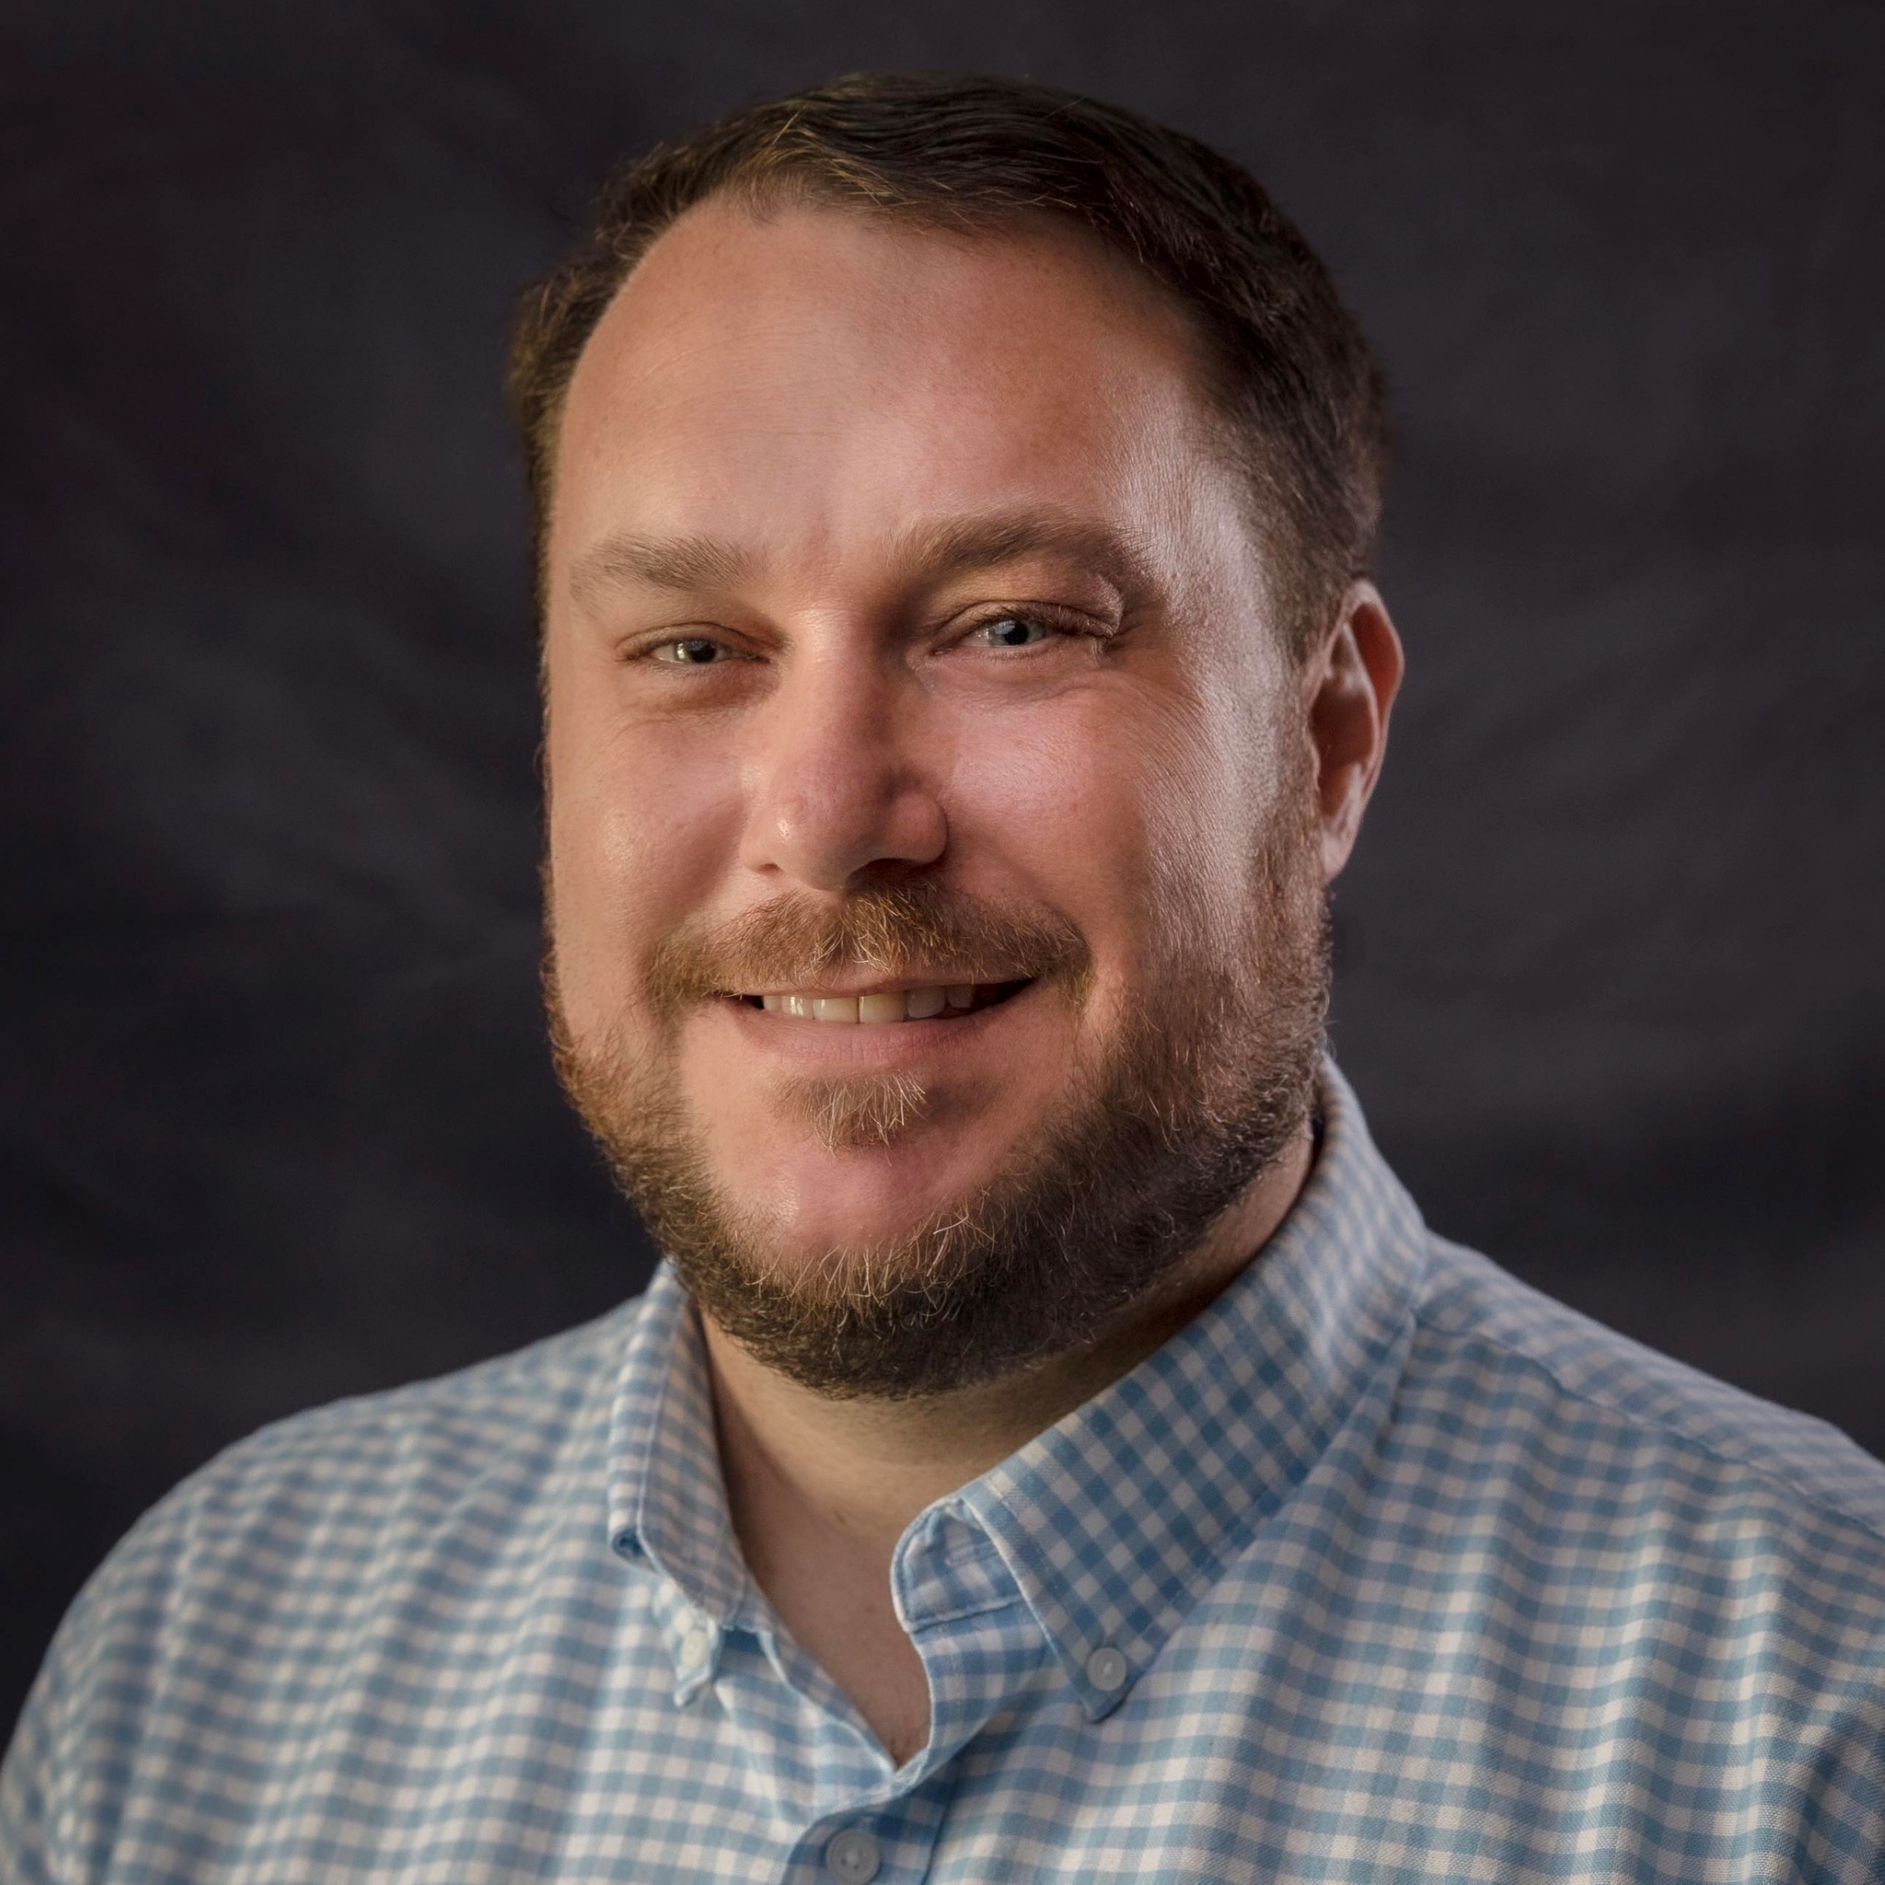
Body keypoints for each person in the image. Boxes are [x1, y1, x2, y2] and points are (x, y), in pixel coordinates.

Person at [4, 69, 1881, 1885]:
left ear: (1324, 742)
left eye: (1009, 625)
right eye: (688, 646)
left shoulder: (1812, 1715)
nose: (828, 820)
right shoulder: (206, 1662)